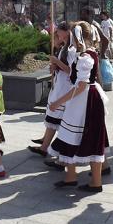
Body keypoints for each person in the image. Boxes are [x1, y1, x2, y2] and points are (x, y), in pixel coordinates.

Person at [48, 21, 110, 193]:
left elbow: (81, 85)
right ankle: (78, 178)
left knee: (71, 135)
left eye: (73, 36)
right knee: (87, 136)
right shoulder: (88, 53)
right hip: (88, 98)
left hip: (85, 100)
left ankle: (84, 180)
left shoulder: (85, 57)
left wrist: (59, 102)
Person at [28, 22, 75, 158]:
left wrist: (57, 62)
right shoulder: (64, 48)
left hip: (65, 87)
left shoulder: (71, 49)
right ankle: (45, 145)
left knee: (56, 118)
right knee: (53, 118)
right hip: (59, 85)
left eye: (59, 32)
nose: (57, 35)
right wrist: (55, 67)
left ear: (66, 32)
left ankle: (48, 148)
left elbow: (71, 71)